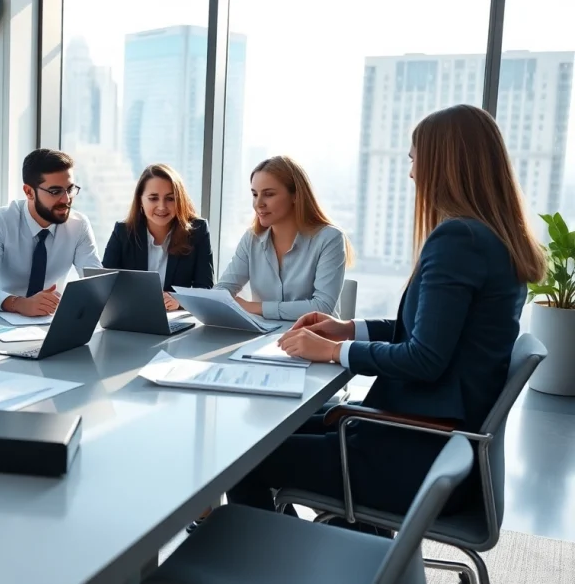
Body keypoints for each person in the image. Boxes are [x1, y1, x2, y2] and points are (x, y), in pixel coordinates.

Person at [227, 104, 546, 519]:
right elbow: (427, 331)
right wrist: (347, 329)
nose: (412, 173)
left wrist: (330, 352)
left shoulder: (458, 239)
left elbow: (424, 358)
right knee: (268, 430)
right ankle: (328, 546)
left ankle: (276, 559)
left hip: (413, 454)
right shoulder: (490, 239)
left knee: (241, 455)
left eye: (415, 159)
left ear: (444, 163)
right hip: (436, 442)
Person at [215, 156, 350, 321]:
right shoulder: (252, 239)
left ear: (295, 196)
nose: (258, 204)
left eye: (269, 194)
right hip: (262, 339)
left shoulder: (329, 238)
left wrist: (255, 307)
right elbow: (223, 290)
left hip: (314, 340)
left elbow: (321, 308)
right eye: (255, 194)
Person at [0, 149, 102, 316]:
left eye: (70, 189)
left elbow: (96, 282)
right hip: (1, 317)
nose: (66, 199)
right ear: (29, 192)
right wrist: (18, 303)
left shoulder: (79, 224)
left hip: (49, 320)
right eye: (55, 192)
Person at [102, 163, 214, 309]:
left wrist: (180, 302)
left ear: (179, 200)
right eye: (153, 198)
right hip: (132, 316)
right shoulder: (123, 232)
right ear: (140, 200)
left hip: (176, 319)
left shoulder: (198, 231)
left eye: (170, 199)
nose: (162, 206)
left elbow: (205, 288)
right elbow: (104, 285)